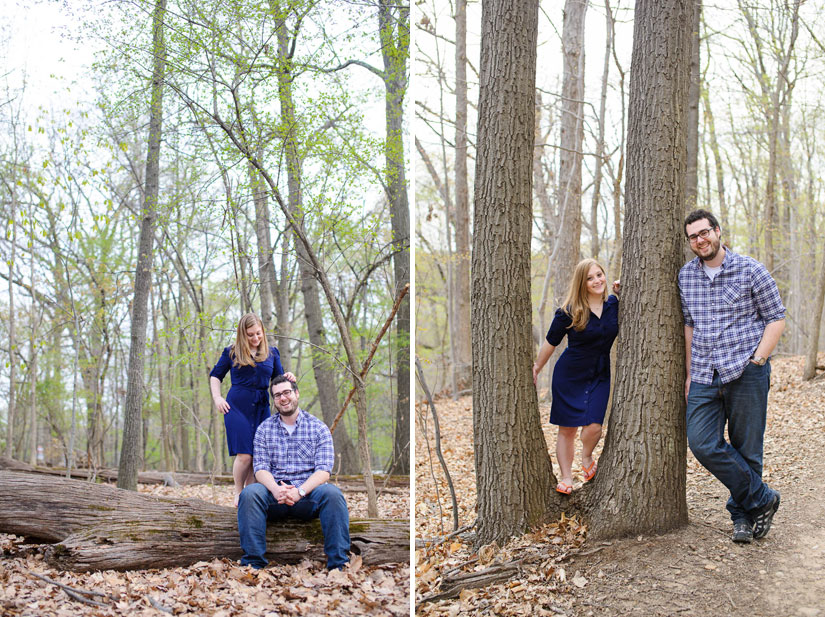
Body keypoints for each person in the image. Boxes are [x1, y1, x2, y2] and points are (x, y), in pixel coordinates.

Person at [679, 209, 785, 544]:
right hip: (703, 374)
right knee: (702, 442)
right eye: (694, 236)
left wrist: (759, 359)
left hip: (746, 372)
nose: (700, 240)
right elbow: (689, 327)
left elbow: (776, 317)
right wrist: (687, 372)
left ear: (717, 231)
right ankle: (763, 498)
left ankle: (742, 517)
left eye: (704, 232)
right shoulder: (686, 277)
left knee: (747, 447)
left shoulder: (750, 269)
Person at [237, 375, 350, 570]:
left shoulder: (318, 428)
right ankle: (253, 564)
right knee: (249, 493)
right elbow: (260, 468)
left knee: (333, 494)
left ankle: (338, 565)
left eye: (287, 392)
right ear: (274, 400)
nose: (283, 398)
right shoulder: (264, 429)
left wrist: (300, 492)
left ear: (296, 393)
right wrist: (275, 489)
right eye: (278, 395)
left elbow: (323, 471)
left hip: (307, 496)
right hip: (274, 497)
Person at [533, 258, 620, 495]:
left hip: (600, 373)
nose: (596, 281)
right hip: (570, 376)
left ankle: (587, 457)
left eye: (599, 275)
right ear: (582, 283)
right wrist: (537, 368)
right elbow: (551, 342)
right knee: (567, 429)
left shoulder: (614, 304)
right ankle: (567, 477)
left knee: (594, 427)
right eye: (590, 278)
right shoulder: (569, 311)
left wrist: (624, 290)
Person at [209, 313, 295, 507]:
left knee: (258, 455)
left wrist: (288, 376)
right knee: (245, 455)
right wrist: (217, 397)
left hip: (261, 407)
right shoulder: (231, 352)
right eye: (250, 334)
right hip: (236, 406)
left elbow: (278, 380)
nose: (255, 338)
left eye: (258, 333)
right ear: (242, 334)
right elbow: (215, 375)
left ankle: (251, 496)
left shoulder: (272, 353)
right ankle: (238, 493)